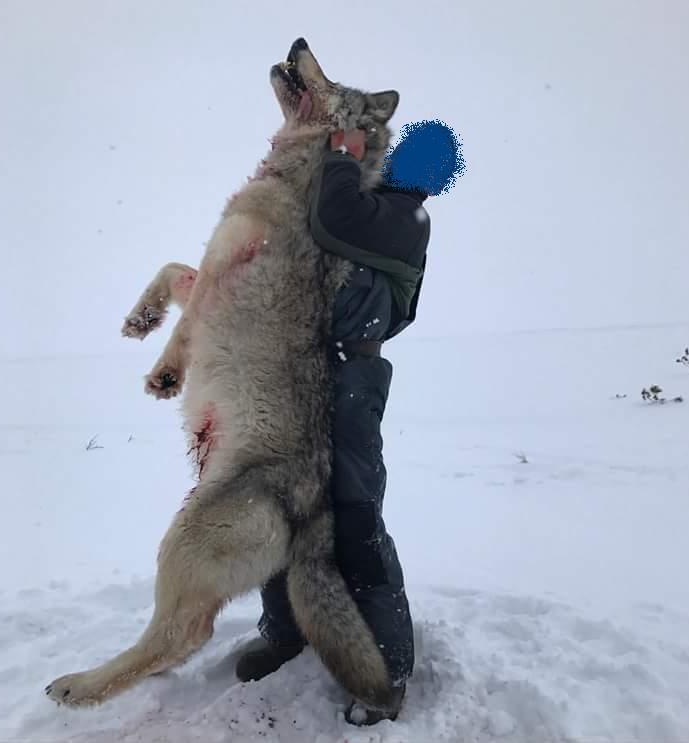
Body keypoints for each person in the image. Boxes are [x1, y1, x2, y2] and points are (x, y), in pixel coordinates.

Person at [236, 120, 463, 726]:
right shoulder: (376, 209)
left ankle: (385, 672)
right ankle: (285, 632)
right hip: (299, 372)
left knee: (355, 512)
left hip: (350, 383)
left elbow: (334, 215)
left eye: (417, 156)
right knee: (286, 504)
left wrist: (340, 154)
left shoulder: (402, 218)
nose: (404, 161)